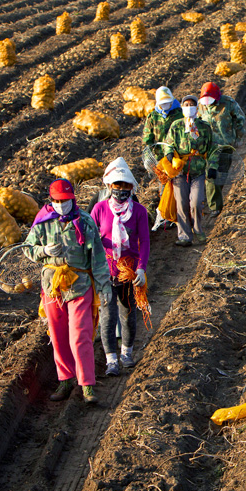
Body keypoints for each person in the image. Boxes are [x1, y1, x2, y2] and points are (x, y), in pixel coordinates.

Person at [25, 179, 111, 404]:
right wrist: (43, 250)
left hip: (80, 285)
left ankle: (87, 385)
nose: (61, 204)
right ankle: (65, 379)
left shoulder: (84, 221)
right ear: (51, 200)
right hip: (53, 287)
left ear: (73, 199)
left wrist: (103, 285)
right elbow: (28, 250)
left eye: (65, 200)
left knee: (80, 336)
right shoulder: (42, 222)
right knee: (58, 335)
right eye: (57, 201)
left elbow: (98, 256)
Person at [91, 158, 150, 376]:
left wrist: (141, 269)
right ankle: (111, 360)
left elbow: (144, 242)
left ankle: (126, 352)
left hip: (129, 271)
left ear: (131, 188)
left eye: (125, 186)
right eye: (117, 185)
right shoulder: (99, 209)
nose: (121, 190)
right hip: (106, 271)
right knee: (108, 316)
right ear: (109, 186)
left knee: (127, 313)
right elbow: (91, 238)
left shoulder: (139, 212)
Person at [166, 95, 219, 246]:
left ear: (196, 108)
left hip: (198, 171)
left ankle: (198, 229)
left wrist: (213, 167)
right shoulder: (177, 126)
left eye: (192, 105)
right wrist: (169, 153)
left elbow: (213, 149)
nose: (189, 107)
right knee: (181, 203)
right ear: (182, 107)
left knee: (196, 202)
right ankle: (184, 236)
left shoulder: (204, 127)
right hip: (180, 172)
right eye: (186, 105)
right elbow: (168, 143)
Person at [198, 82, 245, 215]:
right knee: (211, 175)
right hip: (209, 147)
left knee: (221, 174)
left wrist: (239, 138)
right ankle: (214, 206)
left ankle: (215, 198)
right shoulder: (201, 106)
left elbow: (240, 119)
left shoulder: (228, 103)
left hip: (225, 145)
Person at [143, 86, 182, 153]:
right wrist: (148, 152)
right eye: (162, 103)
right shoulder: (153, 117)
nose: (165, 105)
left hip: (177, 154)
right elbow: (147, 137)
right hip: (159, 155)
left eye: (167, 102)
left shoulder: (180, 114)